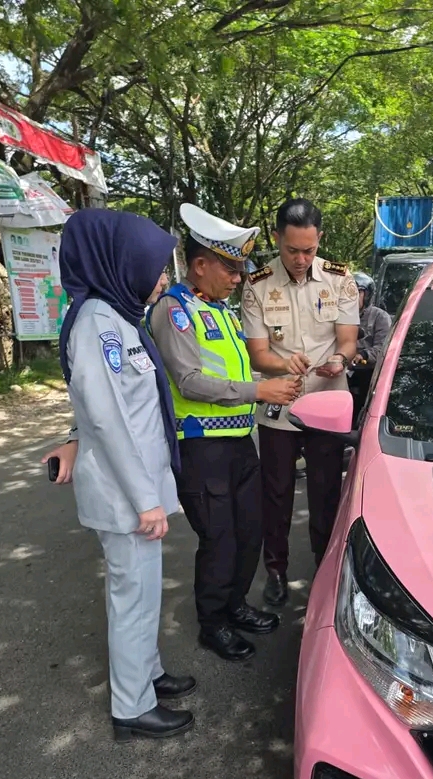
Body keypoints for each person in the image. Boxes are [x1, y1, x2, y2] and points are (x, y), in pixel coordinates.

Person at [41, 208, 195, 742]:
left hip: (138, 489)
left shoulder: (118, 316)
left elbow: (112, 408)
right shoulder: (96, 325)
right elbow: (104, 417)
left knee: (145, 591)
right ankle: (132, 708)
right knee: (133, 597)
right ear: (118, 263)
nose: (161, 279)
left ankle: (147, 675)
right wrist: (145, 501)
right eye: (152, 267)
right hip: (127, 495)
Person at [146, 204, 300, 662]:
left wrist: (281, 370)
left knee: (249, 531)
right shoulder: (175, 311)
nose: (238, 278)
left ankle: (235, 605)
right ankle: (212, 622)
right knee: (220, 539)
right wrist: (259, 390)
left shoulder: (221, 311)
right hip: (201, 447)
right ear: (200, 264)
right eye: (231, 268)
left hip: (238, 443)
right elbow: (190, 380)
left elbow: (242, 363)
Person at [240, 198, 359, 607]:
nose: (301, 259)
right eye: (292, 250)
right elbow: (257, 354)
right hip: (280, 402)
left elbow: (347, 339)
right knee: (275, 491)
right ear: (277, 239)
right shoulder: (257, 284)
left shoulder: (340, 280)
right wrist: (281, 361)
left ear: (319, 240)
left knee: (327, 490)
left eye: (309, 249)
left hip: (327, 401)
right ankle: (275, 570)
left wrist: (340, 359)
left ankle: (326, 572)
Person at [347, 272, 392, 427]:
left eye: (356, 292)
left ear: (366, 295)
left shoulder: (380, 317)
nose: (351, 296)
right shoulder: (338, 316)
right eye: (348, 292)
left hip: (368, 374)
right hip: (340, 372)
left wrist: (364, 354)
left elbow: (384, 348)